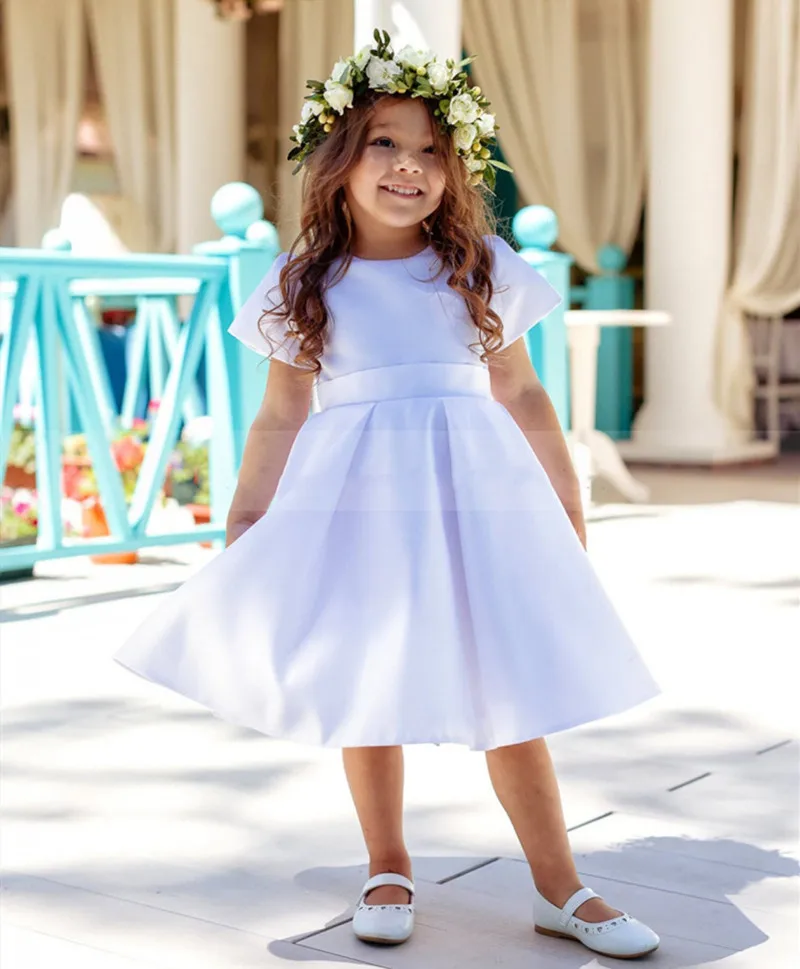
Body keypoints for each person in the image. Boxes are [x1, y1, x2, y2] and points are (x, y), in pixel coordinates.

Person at [115, 32, 660, 960]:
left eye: (430, 152)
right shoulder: (305, 282)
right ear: (337, 160)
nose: (409, 167)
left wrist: (567, 498)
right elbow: (281, 413)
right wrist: (249, 519)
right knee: (367, 681)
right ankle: (387, 860)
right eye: (384, 144)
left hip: (476, 499)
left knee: (508, 683)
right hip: (358, 502)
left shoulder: (475, 265)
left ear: (453, 171)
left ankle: (559, 883)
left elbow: (524, 393)